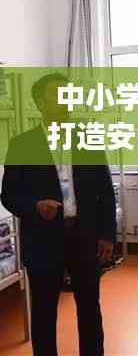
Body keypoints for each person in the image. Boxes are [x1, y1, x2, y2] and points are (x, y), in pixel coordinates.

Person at [1, 73, 116, 356]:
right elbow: (9, 195)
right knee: (43, 311)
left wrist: (107, 234)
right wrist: (35, 206)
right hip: (43, 238)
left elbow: (105, 189)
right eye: (57, 96)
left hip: (84, 235)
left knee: (89, 307)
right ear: (40, 103)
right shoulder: (22, 144)